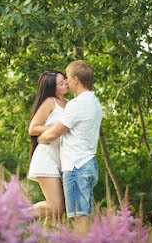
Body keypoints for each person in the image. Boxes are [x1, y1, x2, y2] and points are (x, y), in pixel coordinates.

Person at [38, 60, 102, 232]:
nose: (66, 81)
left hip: (76, 167)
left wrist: (40, 139)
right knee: (83, 217)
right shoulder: (95, 102)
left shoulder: (77, 104)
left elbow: (54, 133)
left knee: (79, 219)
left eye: (67, 77)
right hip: (89, 164)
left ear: (75, 79)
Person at [28, 70, 69, 221]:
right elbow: (33, 129)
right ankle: (16, 215)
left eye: (65, 79)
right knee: (56, 207)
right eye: (61, 82)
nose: (66, 82)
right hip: (46, 159)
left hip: (61, 160)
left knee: (59, 211)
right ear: (53, 88)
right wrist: (54, 127)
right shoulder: (50, 102)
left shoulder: (70, 104)